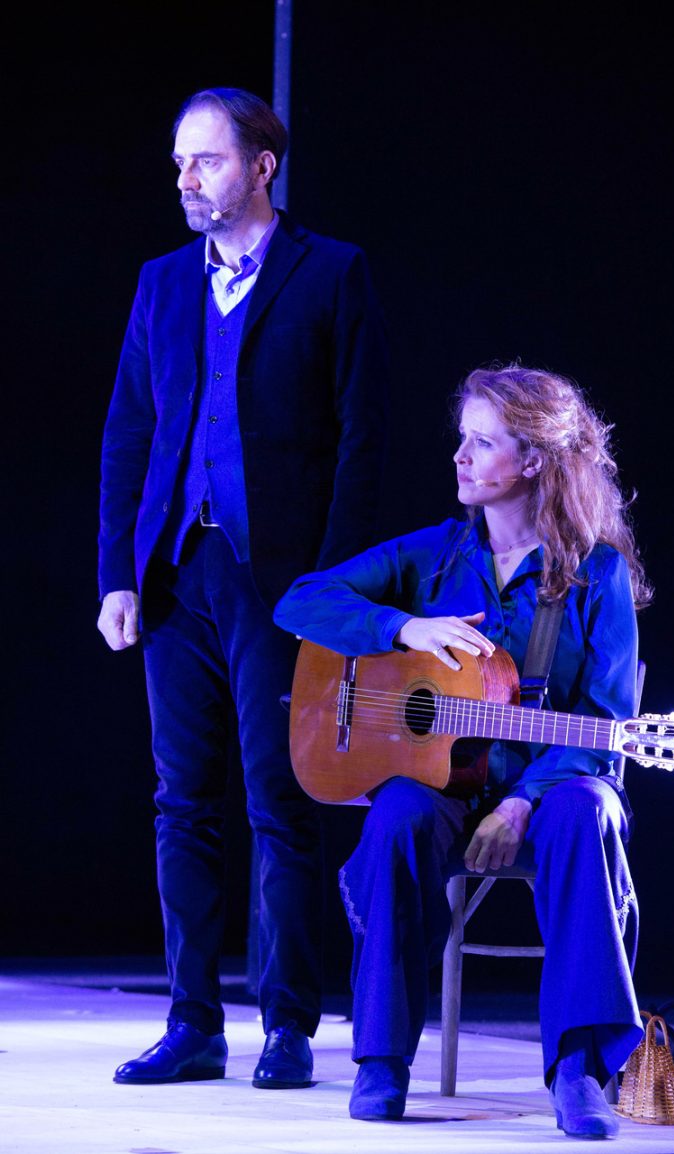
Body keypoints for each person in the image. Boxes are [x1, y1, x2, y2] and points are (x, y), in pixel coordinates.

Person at [273, 362, 653, 1137]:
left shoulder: (596, 574)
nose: (460, 455)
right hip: (445, 785)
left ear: (533, 460)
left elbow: (607, 723)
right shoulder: (434, 556)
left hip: (551, 790)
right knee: (397, 817)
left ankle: (579, 1069)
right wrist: (401, 628)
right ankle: (382, 1061)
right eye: (462, 438)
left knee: (586, 812)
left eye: (482, 442)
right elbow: (300, 602)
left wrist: (519, 804)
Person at [97, 87, 389, 1089]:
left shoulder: (332, 272)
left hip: (282, 580)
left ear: (262, 165)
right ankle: (193, 1020)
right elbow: (129, 433)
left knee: (280, 795)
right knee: (180, 800)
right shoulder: (163, 282)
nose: (186, 178)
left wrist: (333, 591)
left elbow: (360, 443)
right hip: (177, 572)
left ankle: (289, 1023)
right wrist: (118, 575)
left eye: (207, 160)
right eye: (180, 162)